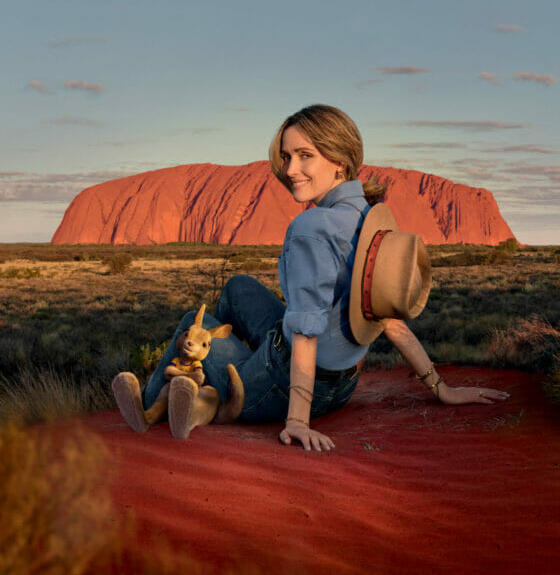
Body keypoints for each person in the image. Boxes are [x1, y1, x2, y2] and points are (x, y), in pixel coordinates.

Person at [142, 104, 509, 451]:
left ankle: (159, 401)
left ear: (340, 161)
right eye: (287, 157)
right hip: (343, 386)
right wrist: (440, 386)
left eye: (305, 155)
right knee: (238, 287)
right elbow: (388, 316)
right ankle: (225, 369)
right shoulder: (367, 216)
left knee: (195, 323)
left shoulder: (311, 227)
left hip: (282, 387)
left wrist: (298, 421)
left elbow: (305, 331)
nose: (289, 170)